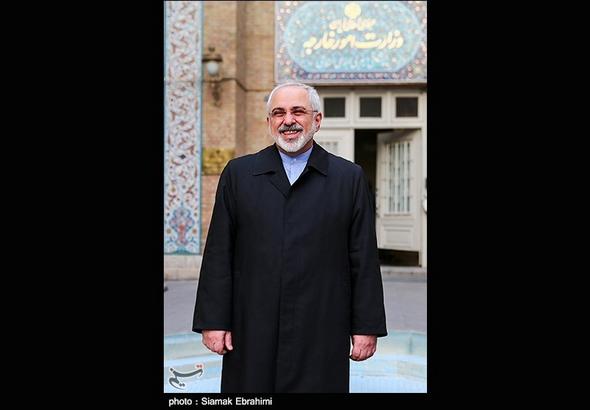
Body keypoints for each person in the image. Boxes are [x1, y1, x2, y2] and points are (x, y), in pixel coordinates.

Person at [193, 81, 387, 393]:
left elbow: (363, 258)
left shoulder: (348, 178)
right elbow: (219, 252)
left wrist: (366, 327)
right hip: (252, 324)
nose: (288, 120)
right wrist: (213, 321)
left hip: (322, 324)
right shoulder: (239, 174)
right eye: (278, 113)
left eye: (298, 111)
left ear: (317, 119)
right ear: (269, 121)